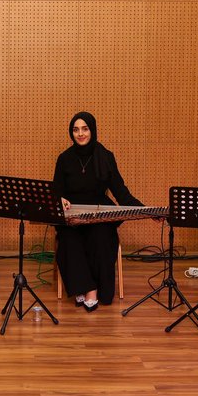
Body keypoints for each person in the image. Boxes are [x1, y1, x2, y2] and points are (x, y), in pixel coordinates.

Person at [52, 111, 142, 311]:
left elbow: (121, 192)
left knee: (101, 236)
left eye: (85, 129)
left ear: (92, 130)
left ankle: (94, 289)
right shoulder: (64, 158)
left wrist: (147, 211)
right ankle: (86, 287)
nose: (80, 134)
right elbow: (56, 192)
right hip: (72, 216)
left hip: (99, 214)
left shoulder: (106, 156)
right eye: (76, 130)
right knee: (69, 240)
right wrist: (61, 200)